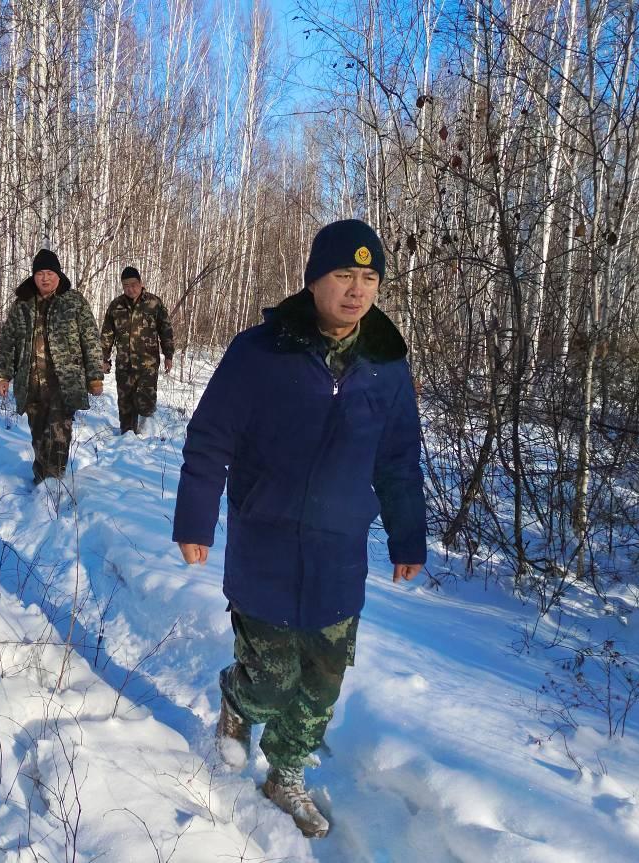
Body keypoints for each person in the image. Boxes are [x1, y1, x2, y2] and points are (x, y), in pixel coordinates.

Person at [172, 219, 426, 838]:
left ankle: (285, 772)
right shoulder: (260, 352)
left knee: (322, 683)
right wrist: (195, 519)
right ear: (314, 280)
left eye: (369, 278)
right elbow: (210, 438)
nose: (357, 289)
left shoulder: (386, 365)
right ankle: (238, 701)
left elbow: (398, 460)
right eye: (343, 275)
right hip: (266, 547)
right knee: (270, 681)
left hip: (339, 555)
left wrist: (407, 537)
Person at [0, 248, 104, 484]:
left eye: (50, 273)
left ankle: (53, 484)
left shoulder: (74, 302)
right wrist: (3, 375)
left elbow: (91, 340)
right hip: (31, 383)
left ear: (58, 275)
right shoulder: (22, 304)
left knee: (58, 435)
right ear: (34, 276)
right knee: (38, 435)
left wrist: (95, 377)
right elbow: (8, 342)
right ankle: (41, 478)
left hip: (64, 383)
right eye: (40, 273)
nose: (45, 278)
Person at [100, 266, 175, 435]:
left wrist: (168, 355)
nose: (130, 289)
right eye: (126, 285)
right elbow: (107, 335)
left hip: (148, 365)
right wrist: (104, 359)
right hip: (124, 365)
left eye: (133, 284)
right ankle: (127, 437)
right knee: (125, 403)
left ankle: (146, 435)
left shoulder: (154, 303)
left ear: (141, 283)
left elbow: (166, 330)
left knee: (146, 403)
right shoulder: (116, 306)